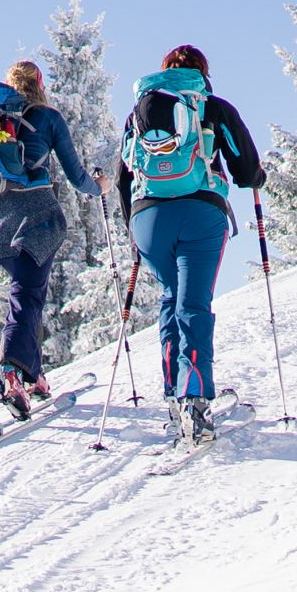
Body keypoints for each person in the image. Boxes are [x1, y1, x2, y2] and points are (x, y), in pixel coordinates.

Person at [115, 45, 266, 440]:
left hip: (147, 218)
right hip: (200, 211)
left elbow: (123, 176)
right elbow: (247, 169)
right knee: (193, 303)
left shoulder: (140, 112)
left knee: (170, 297)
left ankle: (172, 395)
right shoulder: (213, 107)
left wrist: (133, 224)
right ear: (202, 72)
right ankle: (194, 397)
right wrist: (256, 180)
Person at [0, 58, 94, 416]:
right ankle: (10, 374)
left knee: (24, 293)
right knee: (28, 294)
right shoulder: (47, 118)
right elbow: (77, 177)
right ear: (40, 84)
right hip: (34, 213)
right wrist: (100, 187)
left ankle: (33, 373)